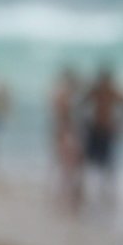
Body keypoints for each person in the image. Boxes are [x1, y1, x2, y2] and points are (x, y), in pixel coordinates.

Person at [77, 66, 123, 211]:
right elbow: (79, 106)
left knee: (107, 166)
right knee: (88, 163)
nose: (103, 84)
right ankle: (86, 193)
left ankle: (106, 196)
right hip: (95, 130)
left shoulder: (114, 92)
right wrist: (84, 123)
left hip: (107, 132)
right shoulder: (95, 91)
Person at [49, 66, 83, 211]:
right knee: (67, 166)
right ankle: (66, 195)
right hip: (67, 133)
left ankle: (65, 194)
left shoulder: (64, 95)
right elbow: (62, 117)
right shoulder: (66, 96)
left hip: (68, 132)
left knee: (67, 165)